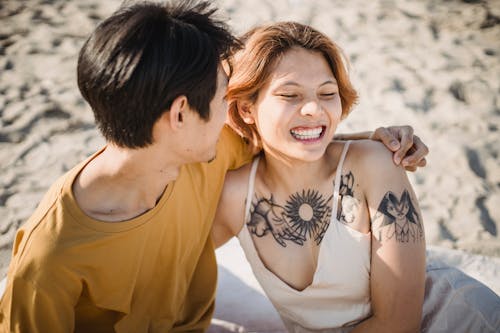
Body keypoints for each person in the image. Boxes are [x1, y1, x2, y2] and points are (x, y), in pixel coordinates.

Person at [0, 2, 429, 332]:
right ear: (181, 114)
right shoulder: (49, 261)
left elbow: (289, 134)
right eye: (225, 98)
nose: (234, 113)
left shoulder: (205, 148)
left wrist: (375, 139)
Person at [212, 21, 500, 332]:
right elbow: (169, 261)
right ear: (245, 110)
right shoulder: (235, 195)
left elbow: (397, 324)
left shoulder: (376, 166)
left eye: (327, 93)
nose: (313, 109)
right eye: (290, 95)